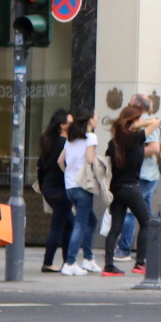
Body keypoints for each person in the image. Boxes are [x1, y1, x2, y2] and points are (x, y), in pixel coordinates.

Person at [103, 105, 160, 277]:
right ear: (133, 121)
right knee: (146, 222)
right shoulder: (135, 138)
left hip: (116, 188)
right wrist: (137, 125)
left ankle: (109, 266)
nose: (142, 122)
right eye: (139, 119)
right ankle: (140, 263)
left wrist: (130, 124)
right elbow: (156, 122)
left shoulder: (114, 142)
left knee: (115, 227)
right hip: (131, 187)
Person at [113, 93, 161, 263]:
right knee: (145, 215)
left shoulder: (144, 123)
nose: (127, 105)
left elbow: (154, 148)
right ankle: (149, 250)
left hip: (144, 175)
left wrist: (132, 152)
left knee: (130, 213)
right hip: (141, 175)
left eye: (130, 103)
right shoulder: (134, 124)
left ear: (138, 106)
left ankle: (125, 248)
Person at [60, 109, 100, 276]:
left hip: (70, 186)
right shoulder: (90, 137)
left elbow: (60, 161)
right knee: (81, 224)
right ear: (90, 120)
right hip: (83, 186)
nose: (97, 119)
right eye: (96, 116)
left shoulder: (71, 139)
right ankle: (70, 263)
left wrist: (69, 174)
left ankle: (88, 259)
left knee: (91, 220)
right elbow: (90, 160)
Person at [36, 108, 73, 272]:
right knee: (58, 226)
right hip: (61, 189)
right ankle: (48, 262)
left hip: (49, 188)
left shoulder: (48, 141)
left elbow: (39, 167)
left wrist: (43, 187)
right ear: (63, 125)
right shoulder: (65, 144)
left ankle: (67, 261)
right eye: (71, 123)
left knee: (69, 223)